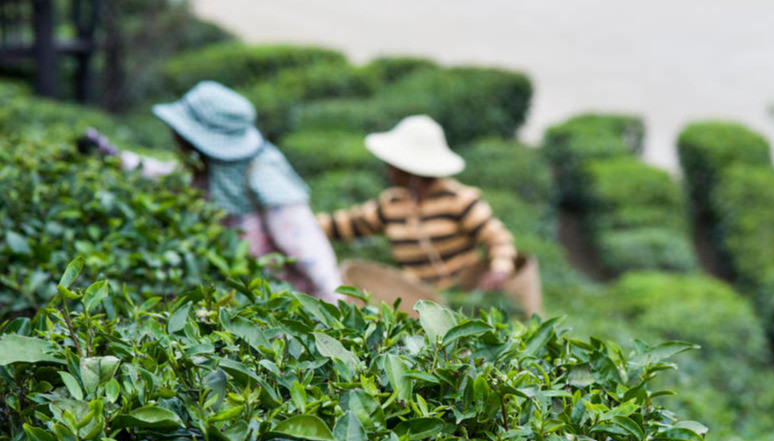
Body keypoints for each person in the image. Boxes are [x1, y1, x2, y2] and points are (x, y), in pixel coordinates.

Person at [79, 81, 341, 303]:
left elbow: (308, 252)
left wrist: (335, 314)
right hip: (235, 296)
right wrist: (112, 156)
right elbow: (164, 175)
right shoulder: (205, 170)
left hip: (278, 303)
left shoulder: (262, 175)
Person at [316, 115, 541, 315]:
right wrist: (303, 225)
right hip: (418, 301)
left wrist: (499, 269)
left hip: (465, 296)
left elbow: (498, 238)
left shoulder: (459, 200)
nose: (388, 170)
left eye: (393, 165)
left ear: (410, 170)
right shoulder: (392, 203)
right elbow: (348, 224)